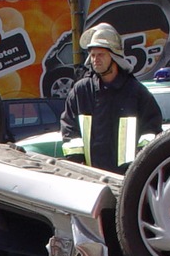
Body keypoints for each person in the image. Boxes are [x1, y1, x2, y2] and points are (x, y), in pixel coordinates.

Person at [60, 23, 162, 172]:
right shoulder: (81, 92)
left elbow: (150, 133)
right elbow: (70, 129)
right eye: (93, 55)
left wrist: (139, 168)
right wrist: (77, 164)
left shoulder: (136, 93)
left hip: (126, 178)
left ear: (114, 56)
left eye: (101, 54)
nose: (95, 59)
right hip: (91, 177)